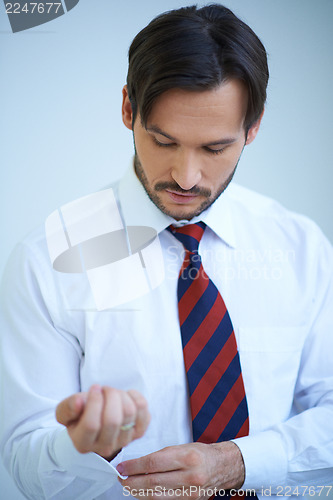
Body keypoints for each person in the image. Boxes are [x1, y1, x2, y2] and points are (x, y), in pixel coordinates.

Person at [0, 4, 332, 499]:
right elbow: (26, 466)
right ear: (128, 110)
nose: (186, 176)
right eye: (163, 141)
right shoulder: (46, 260)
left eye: (215, 149)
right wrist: (81, 448)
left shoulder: (300, 248)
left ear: (254, 127)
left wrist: (238, 462)